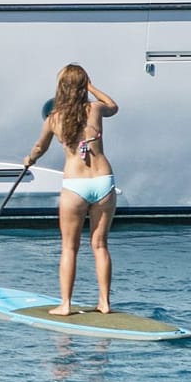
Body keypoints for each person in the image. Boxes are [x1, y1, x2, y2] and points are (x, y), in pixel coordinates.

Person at [22, 64, 120, 316]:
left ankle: (65, 305)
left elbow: (39, 148)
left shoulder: (53, 118)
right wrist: (91, 87)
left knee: (69, 247)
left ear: (61, 88)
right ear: (83, 86)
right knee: (100, 245)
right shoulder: (95, 109)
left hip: (75, 185)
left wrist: (29, 160)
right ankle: (104, 303)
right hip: (103, 181)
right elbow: (113, 105)